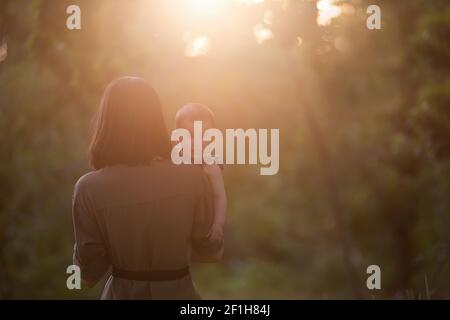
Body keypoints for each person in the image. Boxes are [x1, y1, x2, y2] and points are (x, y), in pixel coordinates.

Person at [72, 77, 223, 299]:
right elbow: (209, 249)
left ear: (107, 122)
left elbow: (87, 273)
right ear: (156, 119)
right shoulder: (192, 175)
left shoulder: (88, 188)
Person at [175, 103, 227, 243]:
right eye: (189, 135)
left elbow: (219, 196)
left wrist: (218, 224)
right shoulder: (172, 159)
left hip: (201, 220)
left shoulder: (211, 166)